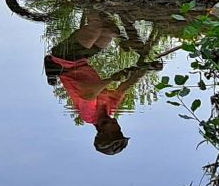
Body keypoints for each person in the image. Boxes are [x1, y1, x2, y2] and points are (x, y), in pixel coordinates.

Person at [43, 10, 162, 155]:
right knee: (109, 31)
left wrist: (112, 78)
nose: (119, 128)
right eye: (120, 131)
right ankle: (100, 6)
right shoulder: (110, 109)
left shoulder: (89, 116)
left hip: (63, 61)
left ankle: (90, 2)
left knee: (96, 27)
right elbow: (125, 87)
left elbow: (89, 93)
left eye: (116, 132)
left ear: (103, 133)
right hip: (81, 60)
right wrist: (146, 68)